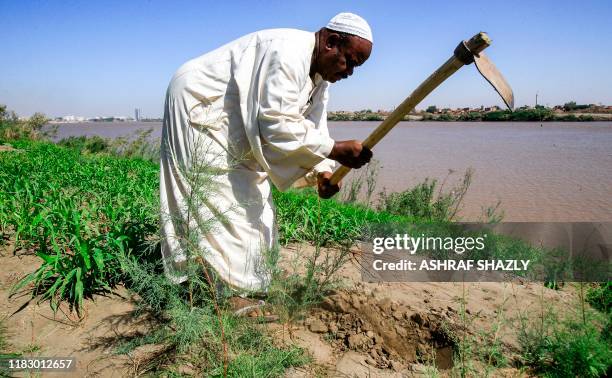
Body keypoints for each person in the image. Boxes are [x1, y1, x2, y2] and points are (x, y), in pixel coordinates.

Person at [160, 12, 373, 292]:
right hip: (198, 100)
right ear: (331, 42)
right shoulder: (287, 52)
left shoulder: (321, 78)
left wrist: (323, 171)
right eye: (350, 62)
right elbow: (276, 123)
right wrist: (334, 150)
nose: (349, 73)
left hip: (234, 115)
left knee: (251, 196)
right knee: (216, 192)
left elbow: (313, 126)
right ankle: (218, 290)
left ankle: (241, 280)